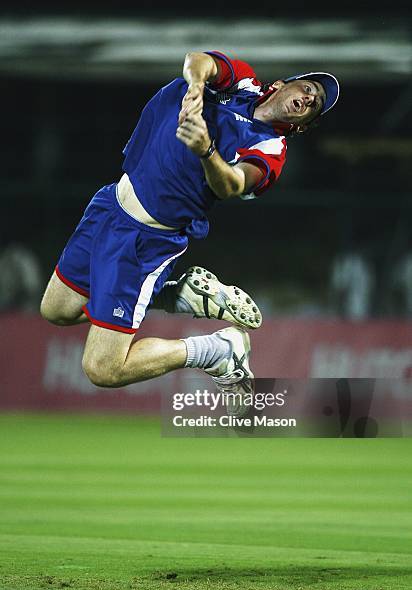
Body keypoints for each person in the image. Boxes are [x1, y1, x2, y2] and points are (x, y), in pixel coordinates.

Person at [40, 50, 340, 403]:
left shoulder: (270, 149)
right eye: (308, 88)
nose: (308, 98)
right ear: (280, 85)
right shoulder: (242, 83)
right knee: (57, 310)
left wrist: (207, 150)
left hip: (145, 242)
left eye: (315, 103)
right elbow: (198, 60)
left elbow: (231, 185)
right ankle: (177, 296)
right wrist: (196, 87)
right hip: (111, 204)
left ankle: (216, 350)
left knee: (103, 369)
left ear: (302, 125)